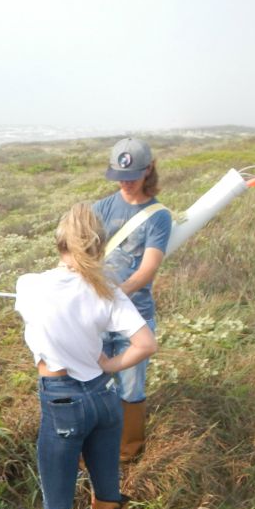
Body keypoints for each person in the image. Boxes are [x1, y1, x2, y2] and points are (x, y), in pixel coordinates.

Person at [5, 203, 156, 509]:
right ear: (100, 246)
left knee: (57, 499)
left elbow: (31, 312)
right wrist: (110, 364)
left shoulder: (30, 285)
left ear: (59, 242)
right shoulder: (107, 291)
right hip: (105, 399)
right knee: (107, 487)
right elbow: (146, 344)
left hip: (62, 401)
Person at [93, 137, 172, 464]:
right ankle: (95, 449)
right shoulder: (101, 208)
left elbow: (146, 271)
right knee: (94, 384)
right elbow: (83, 256)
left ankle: (128, 454)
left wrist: (113, 294)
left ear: (149, 170)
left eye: (133, 175)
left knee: (130, 388)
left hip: (132, 317)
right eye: (120, 176)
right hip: (97, 317)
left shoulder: (158, 216)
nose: (126, 183)